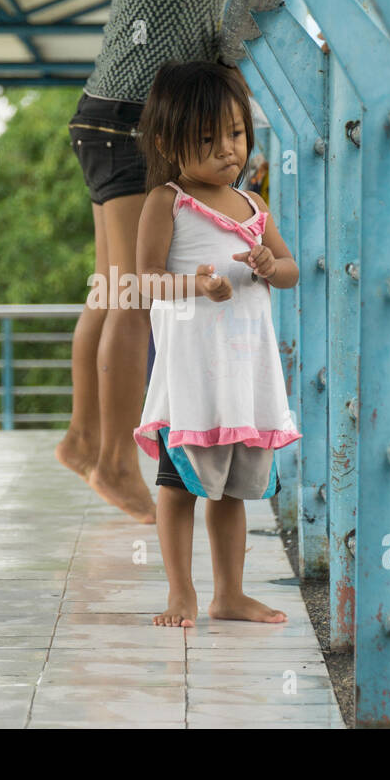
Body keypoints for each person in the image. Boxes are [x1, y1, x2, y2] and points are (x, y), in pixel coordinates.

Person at [56, 0, 255, 525]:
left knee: (111, 289)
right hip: (133, 121)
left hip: (109, 113)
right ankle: (114, 458)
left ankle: (85, 440)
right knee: (135, 296)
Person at [133, 60, 301, 627]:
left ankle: (229, 593)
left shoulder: (253, 203)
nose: (228, 149)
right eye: (208, 139)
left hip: (243, 376)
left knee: (231, 495)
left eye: (234, 133)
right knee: (180, 488)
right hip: (191, 381)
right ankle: (180, 593)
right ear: (168, 142)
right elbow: (144, 278)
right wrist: (196, 286)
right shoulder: (168, 200)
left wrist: (267, 263)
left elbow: (290, 270)